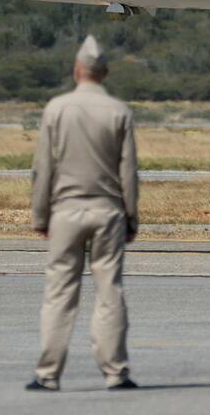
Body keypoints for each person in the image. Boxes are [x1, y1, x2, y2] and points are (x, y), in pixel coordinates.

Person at [25, 35, 140, 392]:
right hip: (108, 212)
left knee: (59, 292)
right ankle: (115, 373)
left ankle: (48, 374)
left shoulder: (56, 108)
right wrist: (132, 217)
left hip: (66, 210)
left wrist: (40, 216)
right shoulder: (119, 111)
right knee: (110, 292)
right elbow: (129, 172)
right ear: (104, 73)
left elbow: (42, 167)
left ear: (77, 71)